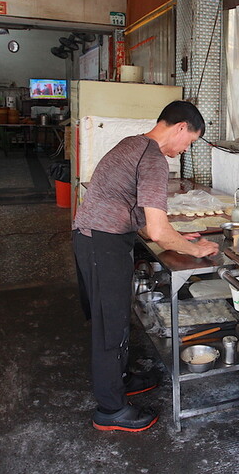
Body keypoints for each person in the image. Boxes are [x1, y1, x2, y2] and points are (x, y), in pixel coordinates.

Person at [72, 100, 219, 432]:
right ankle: (110, 410)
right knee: (111, 325)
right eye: (190, 142)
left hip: (95, 237)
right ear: (181, 127)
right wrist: (196, 249)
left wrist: (176, 234)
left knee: (117, 318)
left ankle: (121, 379)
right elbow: (156, 231)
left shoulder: (132, 144)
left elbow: (133, 209)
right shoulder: (153, 157)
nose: (184, 150)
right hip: (102, 241)